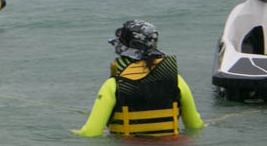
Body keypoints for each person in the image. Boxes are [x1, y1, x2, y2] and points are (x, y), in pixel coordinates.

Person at [74, 20, 204, 137]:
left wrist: (74, 133)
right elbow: (194, 125)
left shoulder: (113, 85)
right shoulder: (176, 80)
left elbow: (91, 133)